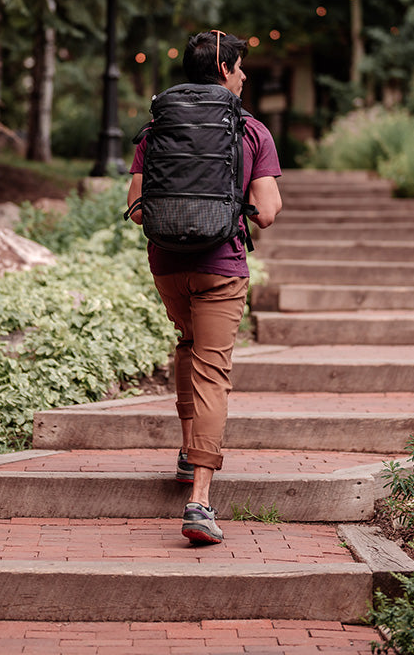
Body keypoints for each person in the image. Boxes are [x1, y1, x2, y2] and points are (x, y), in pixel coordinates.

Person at [126, 30, 282, 545]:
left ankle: (187, 447)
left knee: (189, 346)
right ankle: (199, 502)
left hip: (168, 263)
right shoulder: (250, 130)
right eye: (239, 67)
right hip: (221, 265)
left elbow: (137, 208)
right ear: (223, 69)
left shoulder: (157, 130)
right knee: (213, 371)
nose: (244, 76)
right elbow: (269, 214)